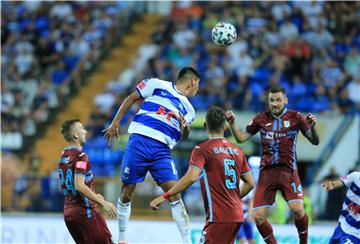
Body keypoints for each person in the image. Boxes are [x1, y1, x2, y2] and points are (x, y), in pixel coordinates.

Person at [103, 67, 200, 244]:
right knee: (126, 192)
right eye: (198, 85)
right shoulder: (157, 84)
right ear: (192, 81)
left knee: (174, 194)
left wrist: (184, 127)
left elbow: (185, 134)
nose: (197, 89)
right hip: (139, 141)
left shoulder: (190, 110)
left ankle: (187, 241)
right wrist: (115, 123)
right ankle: (122, 239)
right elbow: (132, 97)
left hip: (162, 151)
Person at [226, 86, 319, 244]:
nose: (274, 104)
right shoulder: (261, 119)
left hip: (288, 171)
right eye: (271, 100)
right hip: (266, 173)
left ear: (285, 100)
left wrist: (313, 128)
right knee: (258, 217)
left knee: (297, 209)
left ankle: (304, 241)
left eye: (278, 100)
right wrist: (233, 123)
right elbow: (241, 138)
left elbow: (314, 141)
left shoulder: (296, 117)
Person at [150, 106, 254, 244]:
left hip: (219, 218)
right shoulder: (237, 151)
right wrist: (232, 197)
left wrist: (164, 196)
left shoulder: (202, 150)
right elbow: (250, 183)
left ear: (206, 125)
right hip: (237, 215)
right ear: (224, 127)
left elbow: (191, 177)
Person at [58, 119, 117, 244]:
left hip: (69, 213)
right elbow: (79, 185)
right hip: (85, 212)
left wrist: (93, 196)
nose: (85, 131)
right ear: (75, 135)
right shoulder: (81, 156)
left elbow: (65, 185)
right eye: (81, 129)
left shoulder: (63, 156)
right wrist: (102, 202)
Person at [321, 171, 360, 244]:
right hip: (342, 227)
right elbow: (342, 181)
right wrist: (332, 184)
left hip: (355, 235)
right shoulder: (355, 176)